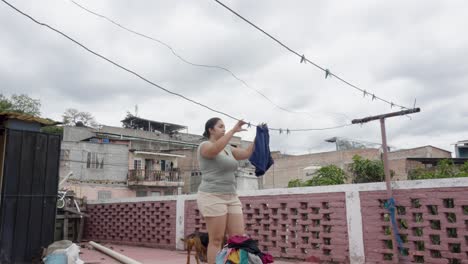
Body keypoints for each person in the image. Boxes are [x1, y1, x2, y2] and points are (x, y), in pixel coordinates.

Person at [197, 117, 255, 264]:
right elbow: (214, 150)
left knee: (238, 238)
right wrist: (234, 130)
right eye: (220, 126)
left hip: (231, 197)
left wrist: (259, 137)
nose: (224, 129)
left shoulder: (228, 148)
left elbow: (246, 153)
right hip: (212, 196)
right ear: (211, 130)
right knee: (216, 239)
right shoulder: (204, 145)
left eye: (225, 127)